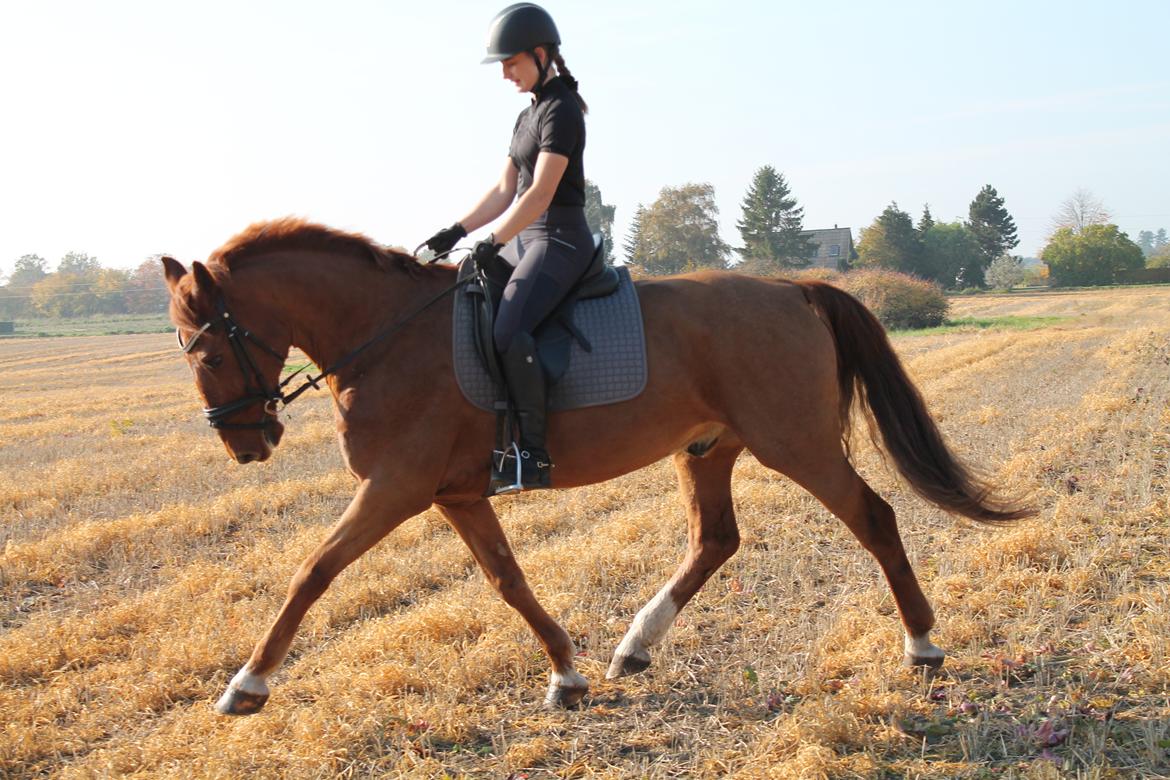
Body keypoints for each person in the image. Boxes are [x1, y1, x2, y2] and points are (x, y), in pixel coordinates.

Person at [423, 2, 591, 494]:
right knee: (466, 305)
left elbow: (539, 194)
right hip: (525, 238)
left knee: (509, 329)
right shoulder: (528, 116)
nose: (504, 74)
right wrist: (457, 230)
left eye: (511, 62)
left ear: (540, 55)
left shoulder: (561, 112)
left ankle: (533, 455)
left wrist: (492, 242)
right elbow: (504, 190)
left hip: (559, 238)